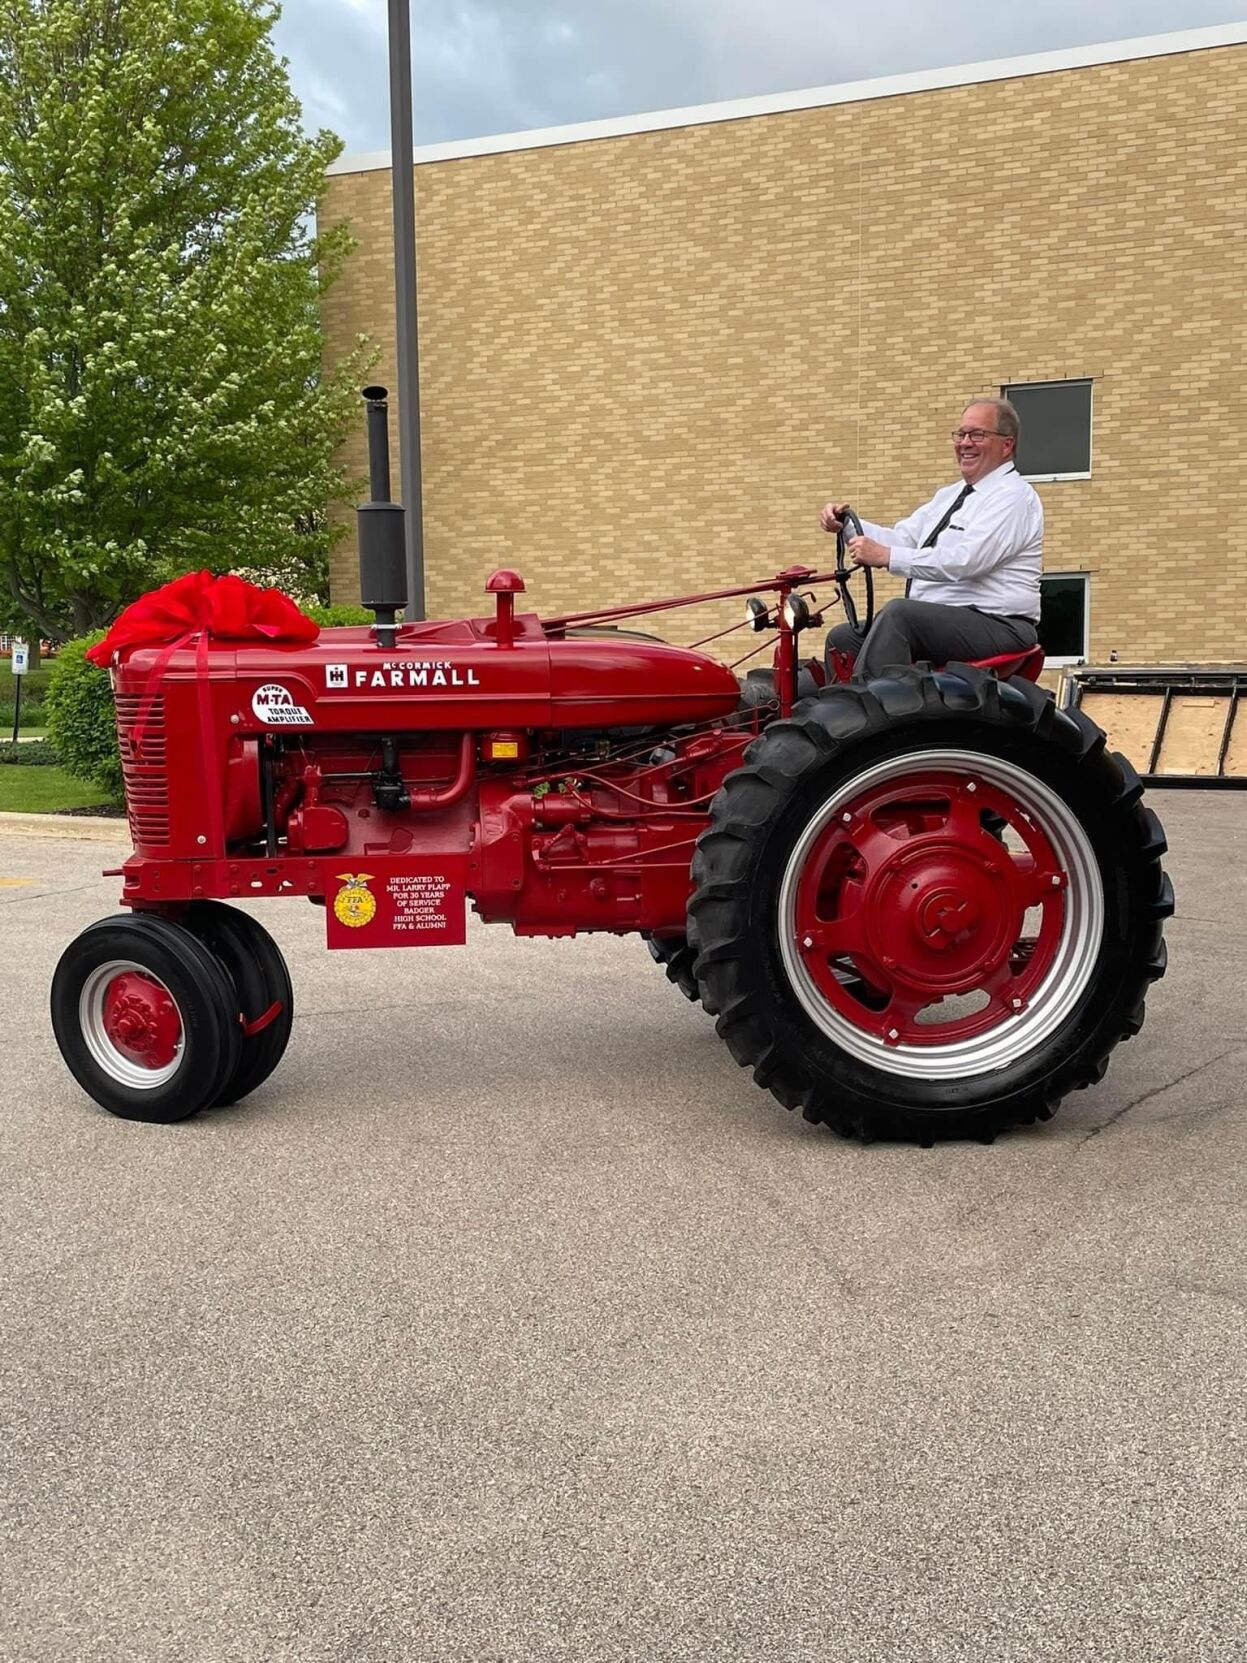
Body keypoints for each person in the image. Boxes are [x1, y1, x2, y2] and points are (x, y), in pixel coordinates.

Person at [819, 397, 1042, 681]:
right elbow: (903, 538)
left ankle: (865, 716)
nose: (965, 443)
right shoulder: (949, 496)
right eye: (960, 434)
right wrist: (847, 526)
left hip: (1000, 625)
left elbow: (966, 561)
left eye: (977, 434)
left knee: (899, 616)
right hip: (949, 622)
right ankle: (832, 710)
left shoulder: (1013, 498)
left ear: (1006, 445)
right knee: (843, 638)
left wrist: (886, 557)